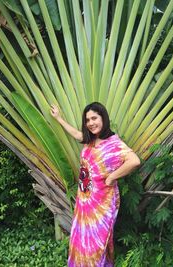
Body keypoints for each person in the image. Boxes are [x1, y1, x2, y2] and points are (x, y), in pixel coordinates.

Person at [50, 102, 140, 267]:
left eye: (94, 118)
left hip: (102, 203)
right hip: (84, 202)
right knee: (81, 242)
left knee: (96, 245)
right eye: (87, 120)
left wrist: (112, 177)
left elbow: (134, 161)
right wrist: (59, 119)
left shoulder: (114, 144)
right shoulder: (90, 139)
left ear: (103, 118)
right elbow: (77, 135)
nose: (91, 123)